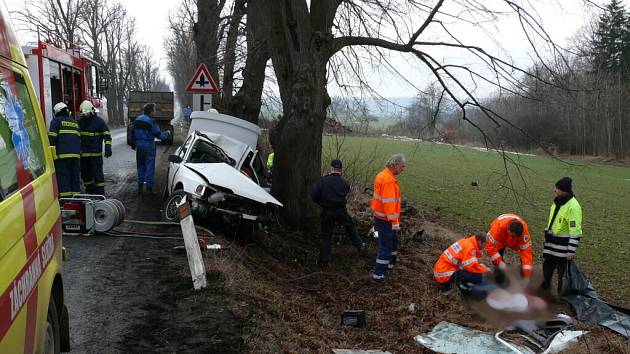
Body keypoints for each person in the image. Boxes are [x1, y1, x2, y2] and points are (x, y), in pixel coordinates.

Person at [311, 159, 365, 268]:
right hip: (341, 211)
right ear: (341, 169)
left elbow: (314, 196)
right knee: (350, 227)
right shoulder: (345, 183)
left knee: (326, 236)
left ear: (331, 168)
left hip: (327, 211)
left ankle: (323, 262)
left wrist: (322, 203)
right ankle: (360, 245)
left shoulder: (323, 181)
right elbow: (346, 193)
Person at [541, 177, 582, 293]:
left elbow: (575, 230)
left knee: (562, 272)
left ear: (565, 191)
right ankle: (545, 288)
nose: (555, 190)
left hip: (563, 247)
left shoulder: (573, 206)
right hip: (552, 243)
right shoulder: (557, 201)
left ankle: (561, 294)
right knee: (547, 266)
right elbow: (553, 220)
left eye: (557, 188)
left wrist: (571, 250)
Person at [370, 154, 406, 282]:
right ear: (395, 164)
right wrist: (395, 222)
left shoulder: (382, 175)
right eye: (402, 166)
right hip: (386, 220)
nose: (403, 169)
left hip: (379, 217)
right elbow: (389, 204)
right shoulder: (389, 180)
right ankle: (378, 275)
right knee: (385, 246)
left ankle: (389, 265)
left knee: (390, 243)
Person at [130, 103, 171, 194]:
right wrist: (167, 134)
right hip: (148, 145)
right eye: (154, 110)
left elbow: (132, 132)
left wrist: (133, 143)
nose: (155, 112)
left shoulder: (137, 119)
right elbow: (158, 135)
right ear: (151, 112)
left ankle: (140, 187)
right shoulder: (151, 121)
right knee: (149, 166)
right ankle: (149, 188)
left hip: (139, 145)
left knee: (140, 166)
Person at [434, 233, 490, 298]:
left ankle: (463, 286)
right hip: (444, 275)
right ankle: (468, 292)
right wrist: (484, 269)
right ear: (480, 242)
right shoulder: (470, 248)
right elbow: (471, 267)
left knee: (472, 273)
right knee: (477, 276)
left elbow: (465, 264)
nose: (485, 247)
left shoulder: (465, 242)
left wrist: (479, 267)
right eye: (484, 244)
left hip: (440, 271)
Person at [77, 100, 111, 195]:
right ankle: (90, 195)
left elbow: (107, 135)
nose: (86, 116)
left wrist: (108, 147)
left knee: (98, 177)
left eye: (87, 114)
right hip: (83, 156)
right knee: (86, 177)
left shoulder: (99, 122)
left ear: (92, 111)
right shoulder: (80, 122)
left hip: (96, 156)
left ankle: (100, 195)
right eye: (84, 114)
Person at [485, 214, 534, 279]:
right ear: (508, 230)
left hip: (513, 242)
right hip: (500, 239)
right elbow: (491, 248)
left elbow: (527, 254)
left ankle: (522, 277)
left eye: (516, 237)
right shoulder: (497, 228)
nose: (513, 239)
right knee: (498, 259)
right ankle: (498, 278)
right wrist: (501, 264)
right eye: (513, 236)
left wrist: (527, 275)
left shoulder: (524, 234)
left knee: (525, 264)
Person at [48, 102, 81, 197]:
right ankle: (76, 200)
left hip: (62, 157)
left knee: (63, 178)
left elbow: (52, 139)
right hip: (76, 156)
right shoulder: (74, 122)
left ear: (56, 112)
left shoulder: (56, 121)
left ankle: (66, 201)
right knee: (75, 179)